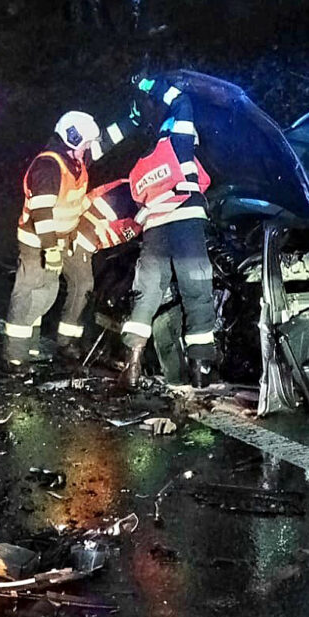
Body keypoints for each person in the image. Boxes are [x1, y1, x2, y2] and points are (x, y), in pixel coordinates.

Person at [97, 75, 218, 389]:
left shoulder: (140, 166)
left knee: (147, 295)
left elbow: (140, 201)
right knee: (198, 293)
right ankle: (199, 372)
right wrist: (148, 82)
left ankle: (132, 364)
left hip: (154, 234)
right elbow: (182, 101)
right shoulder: (178, 142)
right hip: (186, 226)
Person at [3, 111, 101, 368]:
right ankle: (15, 357)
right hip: (37, 243)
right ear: (72, 139)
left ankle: (30, 351)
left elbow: (106, 144)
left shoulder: (74, 161)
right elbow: (42, 212)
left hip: (58, 239)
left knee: (46, 292)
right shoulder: (48, 166)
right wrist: (52, 250)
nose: (88, 150)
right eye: (85, 144)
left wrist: (132, 120)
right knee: (30, 292)